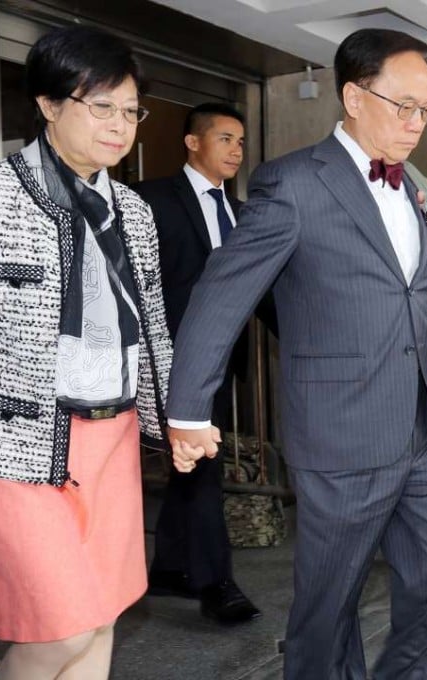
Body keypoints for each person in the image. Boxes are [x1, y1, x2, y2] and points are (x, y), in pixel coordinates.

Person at [164, 28, 427, 678]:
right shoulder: (293, 185)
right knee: (328, 610)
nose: (417, 123)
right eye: (404, 105)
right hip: (342, 433)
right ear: (355, 96)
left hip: (421, 425)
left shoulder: (413, 186)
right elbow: (222, 294)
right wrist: (188, 407)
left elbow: (415, 290)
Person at [0, 25, 172, 679]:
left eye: (130, 111)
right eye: (101, 106)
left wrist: (173, 417)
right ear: (47, 104)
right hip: (17, 443)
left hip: (114, 436)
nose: (119, 126)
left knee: (100, 620)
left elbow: (151, 327)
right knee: (61, 628)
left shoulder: (132, 209)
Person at [132, 103, 260, 624]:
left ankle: (168, 567)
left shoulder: (244, 212)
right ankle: (216, 584)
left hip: (224, 358)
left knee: (191, 466)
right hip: (172, 358)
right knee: (203, 465)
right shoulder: (150, 200)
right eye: (226, 139)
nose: (236, 150)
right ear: (192, 142)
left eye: (240, 142)